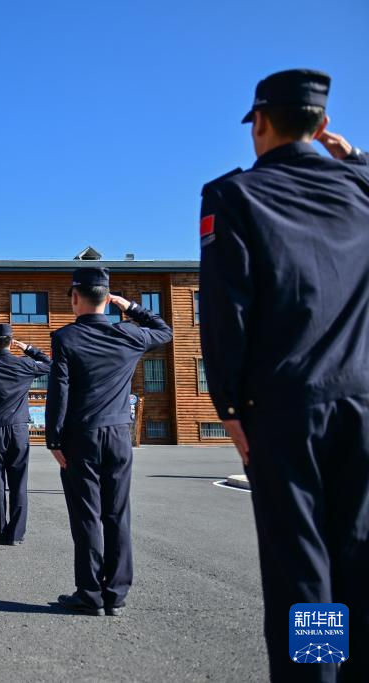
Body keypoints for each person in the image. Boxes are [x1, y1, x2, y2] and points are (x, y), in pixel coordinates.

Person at [200, 68, 369, 681]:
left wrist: (230, 407)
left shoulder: (234, 196)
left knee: (304, 567)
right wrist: (358, 159)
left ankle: (315, 676)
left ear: (261, 122)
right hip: (363, 401)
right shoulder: (360, 190)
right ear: (323, 126)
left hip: (285, 408)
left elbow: (227, 314)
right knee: (358, 554)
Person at [45, 268, 172, 617]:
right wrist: (129, 306)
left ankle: (89, 593)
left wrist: (53, 439)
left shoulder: (65, 338)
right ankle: (115, 593)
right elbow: (165, 330)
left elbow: (61, 391)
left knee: (87, 515)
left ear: (74, 297)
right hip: (118, 434)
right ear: (106, 298)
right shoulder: (130, 335)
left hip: (79, 436)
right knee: (117, 513)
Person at [0, 324, 51, 545]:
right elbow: (50, 364)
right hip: (18, 430)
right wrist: (28, 348)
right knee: (18, 482)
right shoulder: (25, 364)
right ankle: (15, 534)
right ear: (11, 342)